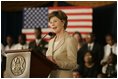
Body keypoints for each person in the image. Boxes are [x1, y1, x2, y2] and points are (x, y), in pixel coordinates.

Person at [46, 10, 78, 78]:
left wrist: (57, 63)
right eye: (50, 22)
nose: (52, 24)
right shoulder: (51, 42)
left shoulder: (70, 40)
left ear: (63, 22)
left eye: (55, 21)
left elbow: (73, 64)